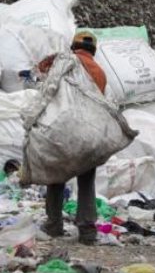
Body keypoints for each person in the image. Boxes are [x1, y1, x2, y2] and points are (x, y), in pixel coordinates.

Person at [39, 32, 107, 244]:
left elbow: (44, 75)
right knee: (86, 181)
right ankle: (87, 230)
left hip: (64, 129)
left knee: (57, 177)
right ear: (93, 51)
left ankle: (54, 225)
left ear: (73, 46)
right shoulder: (100, 72)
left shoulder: (65, 63)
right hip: (89, 131)